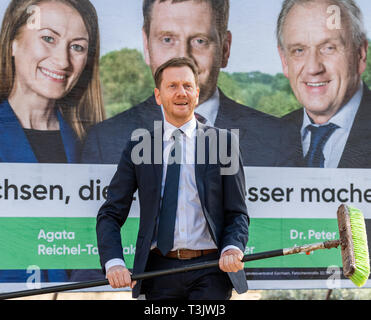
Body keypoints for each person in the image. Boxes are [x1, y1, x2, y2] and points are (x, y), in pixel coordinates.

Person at [96, 57, 249, 300]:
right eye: (173, 86)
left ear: (197, 94)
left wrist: (232, 248)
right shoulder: (140, 146)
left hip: (210, 270)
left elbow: (237, 212)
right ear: (158, 95)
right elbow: (110, 213)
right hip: (158, 273)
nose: (181, 93)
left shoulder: (224, 143)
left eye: (188, 86)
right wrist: (114, 262)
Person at [81, 0, 302, 167]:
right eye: (167, 39)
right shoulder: (105, 142)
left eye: (199, 41)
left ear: (225, 49)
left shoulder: (278, 139)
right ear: (147, 47)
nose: (183, 58)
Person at [0, 0, 104, 282]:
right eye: (48, 38)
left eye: (77, 47)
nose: (62, 60)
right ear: (12, 42)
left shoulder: (94, 148)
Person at [278, 0, 370, 168]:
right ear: (284, 60)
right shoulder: (268, 137)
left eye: (329, 48)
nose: (313, 68)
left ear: (360, 53)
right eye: (299, 50)